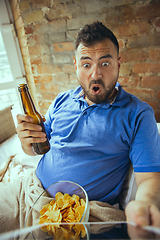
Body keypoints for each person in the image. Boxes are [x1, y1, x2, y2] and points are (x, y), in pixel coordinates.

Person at [1, 21, 160, 233]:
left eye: (105, 63)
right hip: (29, 189)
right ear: (76, 65)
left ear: (118, 64)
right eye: (86, 64)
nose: (95, 74)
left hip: (78, 214)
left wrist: (144, 205)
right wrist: (26, 141)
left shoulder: (138, 114)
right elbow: (37, 146)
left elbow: (149, 177)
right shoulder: (61, 100)